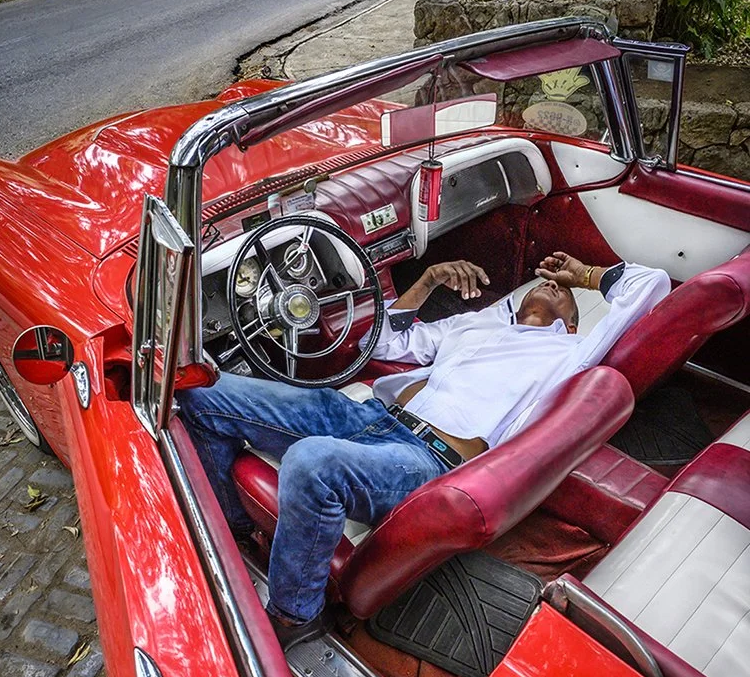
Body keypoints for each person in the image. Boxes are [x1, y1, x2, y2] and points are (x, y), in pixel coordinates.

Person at [179, 251, 670, 648]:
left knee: (312, 462)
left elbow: (651, 284)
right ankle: (239, 528)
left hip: (425, 459)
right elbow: (384, 345)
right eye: (548, 282)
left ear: (575, 320)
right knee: (202, 394)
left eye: (565, 293)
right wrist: (430, 279)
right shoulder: (474, 326)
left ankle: (294, 617)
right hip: (368, 416)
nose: (553, 287)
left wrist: (583, 273)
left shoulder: (574, 353)